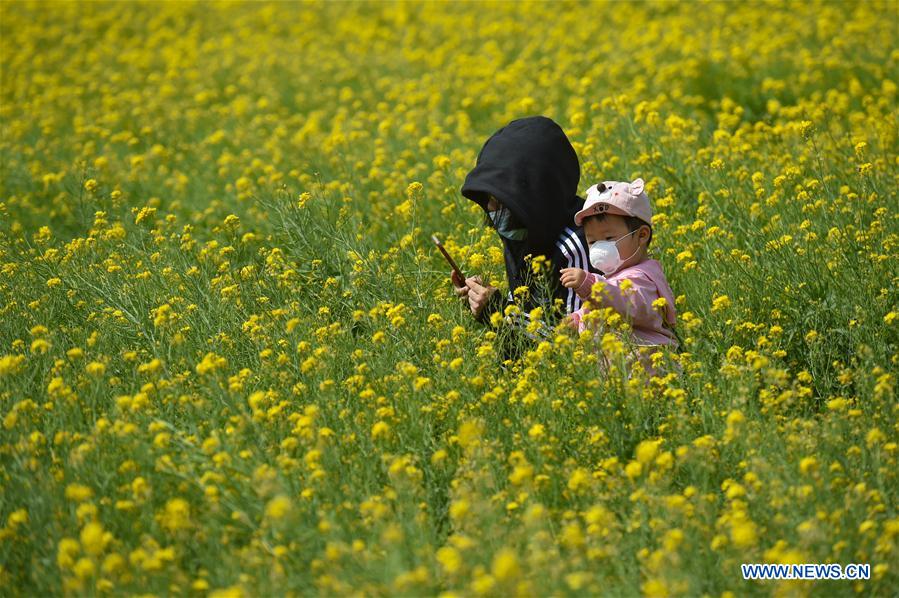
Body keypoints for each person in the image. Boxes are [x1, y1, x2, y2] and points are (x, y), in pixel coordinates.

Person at [452, 116, 602, 352]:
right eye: (488, 198)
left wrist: (499, 310)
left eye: (500, 198)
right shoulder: (522, 234)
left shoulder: (580, 243)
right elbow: (526, 331)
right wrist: (483, 303)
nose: (490, 208)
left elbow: (573, 344)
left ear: (535, 192)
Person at [559, 178, 681, 377]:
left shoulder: (644, 277)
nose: (599, 247)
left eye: (609, 238)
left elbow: (627, 302)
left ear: (641, 235)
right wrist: (579, 318)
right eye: (592, 241)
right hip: (620, 373)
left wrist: (591, 285)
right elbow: (604, 306)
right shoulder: (613, 279)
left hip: (649, 372)